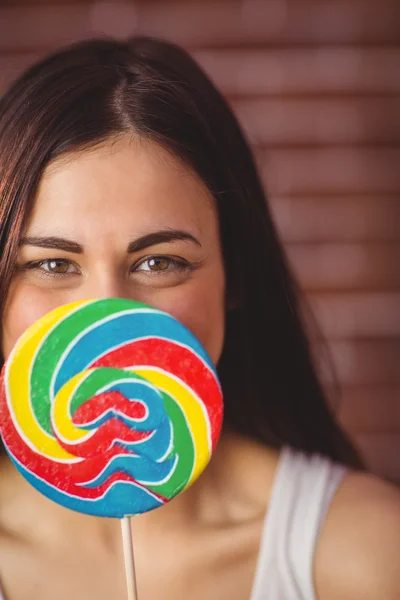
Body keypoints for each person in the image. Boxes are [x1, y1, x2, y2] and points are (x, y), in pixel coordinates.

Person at [0, 37, 399, 600]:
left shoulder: (365, 553)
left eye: (160, 262)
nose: (108, 313)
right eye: (53, 264)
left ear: (234, 273)